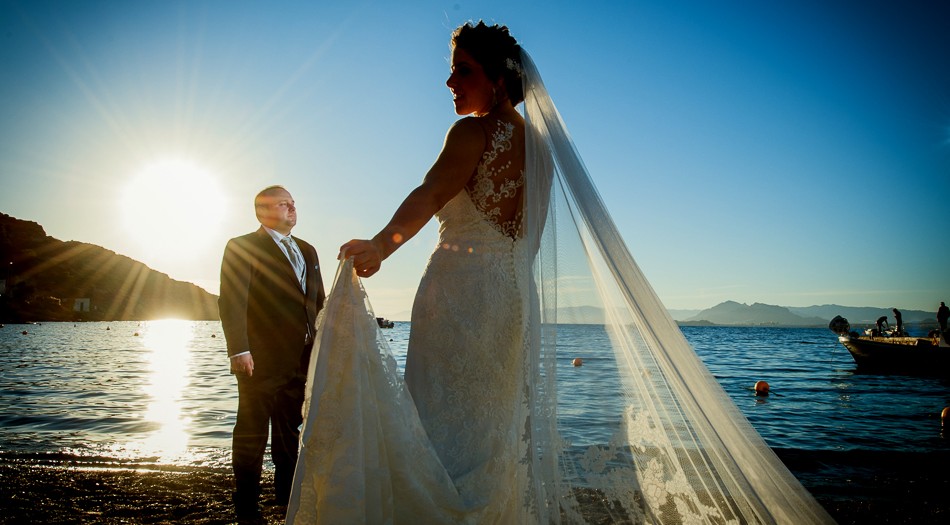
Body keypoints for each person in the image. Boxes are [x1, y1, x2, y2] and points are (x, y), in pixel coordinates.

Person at [289, 21, 834, 525]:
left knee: (440, 418)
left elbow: (432, 194)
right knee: (493, 428)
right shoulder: (542, 151)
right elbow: (526, 242)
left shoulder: (471, 135)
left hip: (455, 293)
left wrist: (382, 245)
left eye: (464, 69)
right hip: (511, 298)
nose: (449, 80)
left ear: (499, 80)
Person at [218, 185, 325, 523]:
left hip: (302, 358)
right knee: (251, 431)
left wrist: (324, 344)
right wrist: (239, 349)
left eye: (293, 202)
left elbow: (317, 303)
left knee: (289, 430)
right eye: (283, 204)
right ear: (263, 211)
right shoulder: (242, 247)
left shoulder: (307, 250)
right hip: (259, 359)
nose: (292, 208)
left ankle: (285, 495)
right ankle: (246, 503)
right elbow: (232, 300)